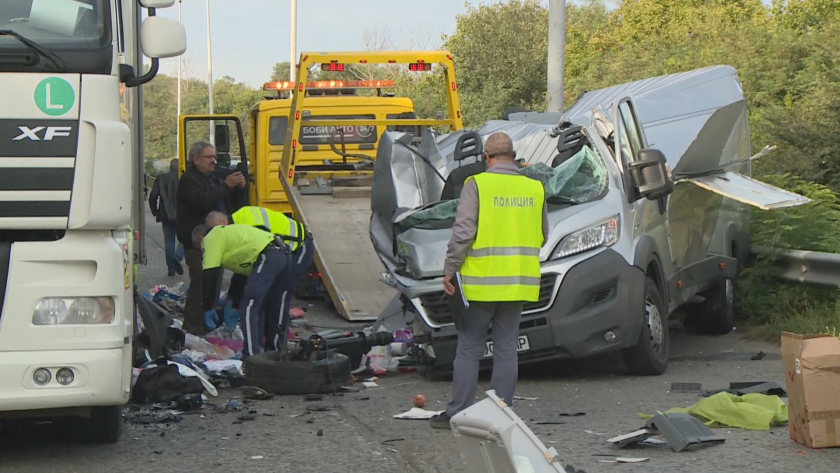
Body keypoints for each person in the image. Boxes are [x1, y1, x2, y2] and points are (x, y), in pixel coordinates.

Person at [430, 131, 549, 429]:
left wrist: (449, 269)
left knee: (470, 347)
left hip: (481, 285)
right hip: (519, 283)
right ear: (513, 155)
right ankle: (502, 415)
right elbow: (543, 232)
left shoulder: (477, 184)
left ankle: (458, 413)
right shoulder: (535, 187)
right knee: (507, 347)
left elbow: (463, 232)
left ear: (487, 157)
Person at [204, 207, 313, 352]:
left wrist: (235, 302)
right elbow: (248, 267)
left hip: (299, 245)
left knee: (280, 294)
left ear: (222, 221)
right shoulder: (239, 221)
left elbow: (260, 255)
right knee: (262, 298)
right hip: (280, 250)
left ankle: (275, 347)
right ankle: (264, 346)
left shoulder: (244, 224)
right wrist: (233, 301)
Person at [191, 223, 294, 360]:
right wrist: (233, 305)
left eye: (201, 249)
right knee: (261, 306)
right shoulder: (232, 241)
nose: (204, 253)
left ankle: (251, 356)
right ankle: (267, 353)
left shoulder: (211, 238)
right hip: (282, 256)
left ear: (201, 238)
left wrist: (208, 307)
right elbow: (241, 276)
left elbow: (210, 273)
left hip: (268, 255)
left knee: (249, 307)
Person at [176, 141, 245, 335]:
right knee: (201, 283)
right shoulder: (189, 180)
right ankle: (192, 328)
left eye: (214, 156)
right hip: (197, 242)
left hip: (217, 240)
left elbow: (226, 202)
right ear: (196, 160)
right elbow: (203, 202)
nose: (213, 160)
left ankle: (208, 325)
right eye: (208, 157)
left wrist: (238, 186)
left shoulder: (212, 178)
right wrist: (226, 186)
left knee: (213, 283)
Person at [148, 159, 184, 276]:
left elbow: (153, 196)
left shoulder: (161, 178)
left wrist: (156, 211)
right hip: (182, 214)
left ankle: (171, 269)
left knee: (169, 241)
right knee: (184, 239)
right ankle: (177, 258)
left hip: (166, 214)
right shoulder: (184, 178)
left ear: (170, 167)